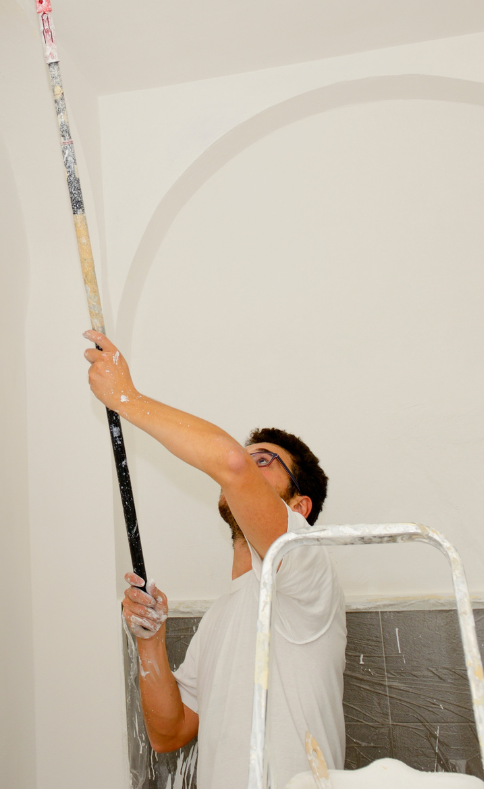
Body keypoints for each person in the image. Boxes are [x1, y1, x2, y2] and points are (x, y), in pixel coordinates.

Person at [83, 330, 345, 789]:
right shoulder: (220, 616)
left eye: (265, 461)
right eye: (248, 455)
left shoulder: (306, 565)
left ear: (299, 508)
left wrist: (127, 398)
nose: (245, 463)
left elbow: (230, 464)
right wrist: (151, 642)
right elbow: (169, 733)